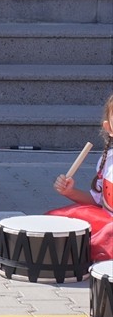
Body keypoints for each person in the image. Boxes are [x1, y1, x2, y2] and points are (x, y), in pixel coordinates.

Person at [48, 93, 113, 263]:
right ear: (109, 128)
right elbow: (98, 200)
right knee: (56, 220)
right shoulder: (107, 160)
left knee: (106, 235)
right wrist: (70, 192)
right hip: (106, 220)